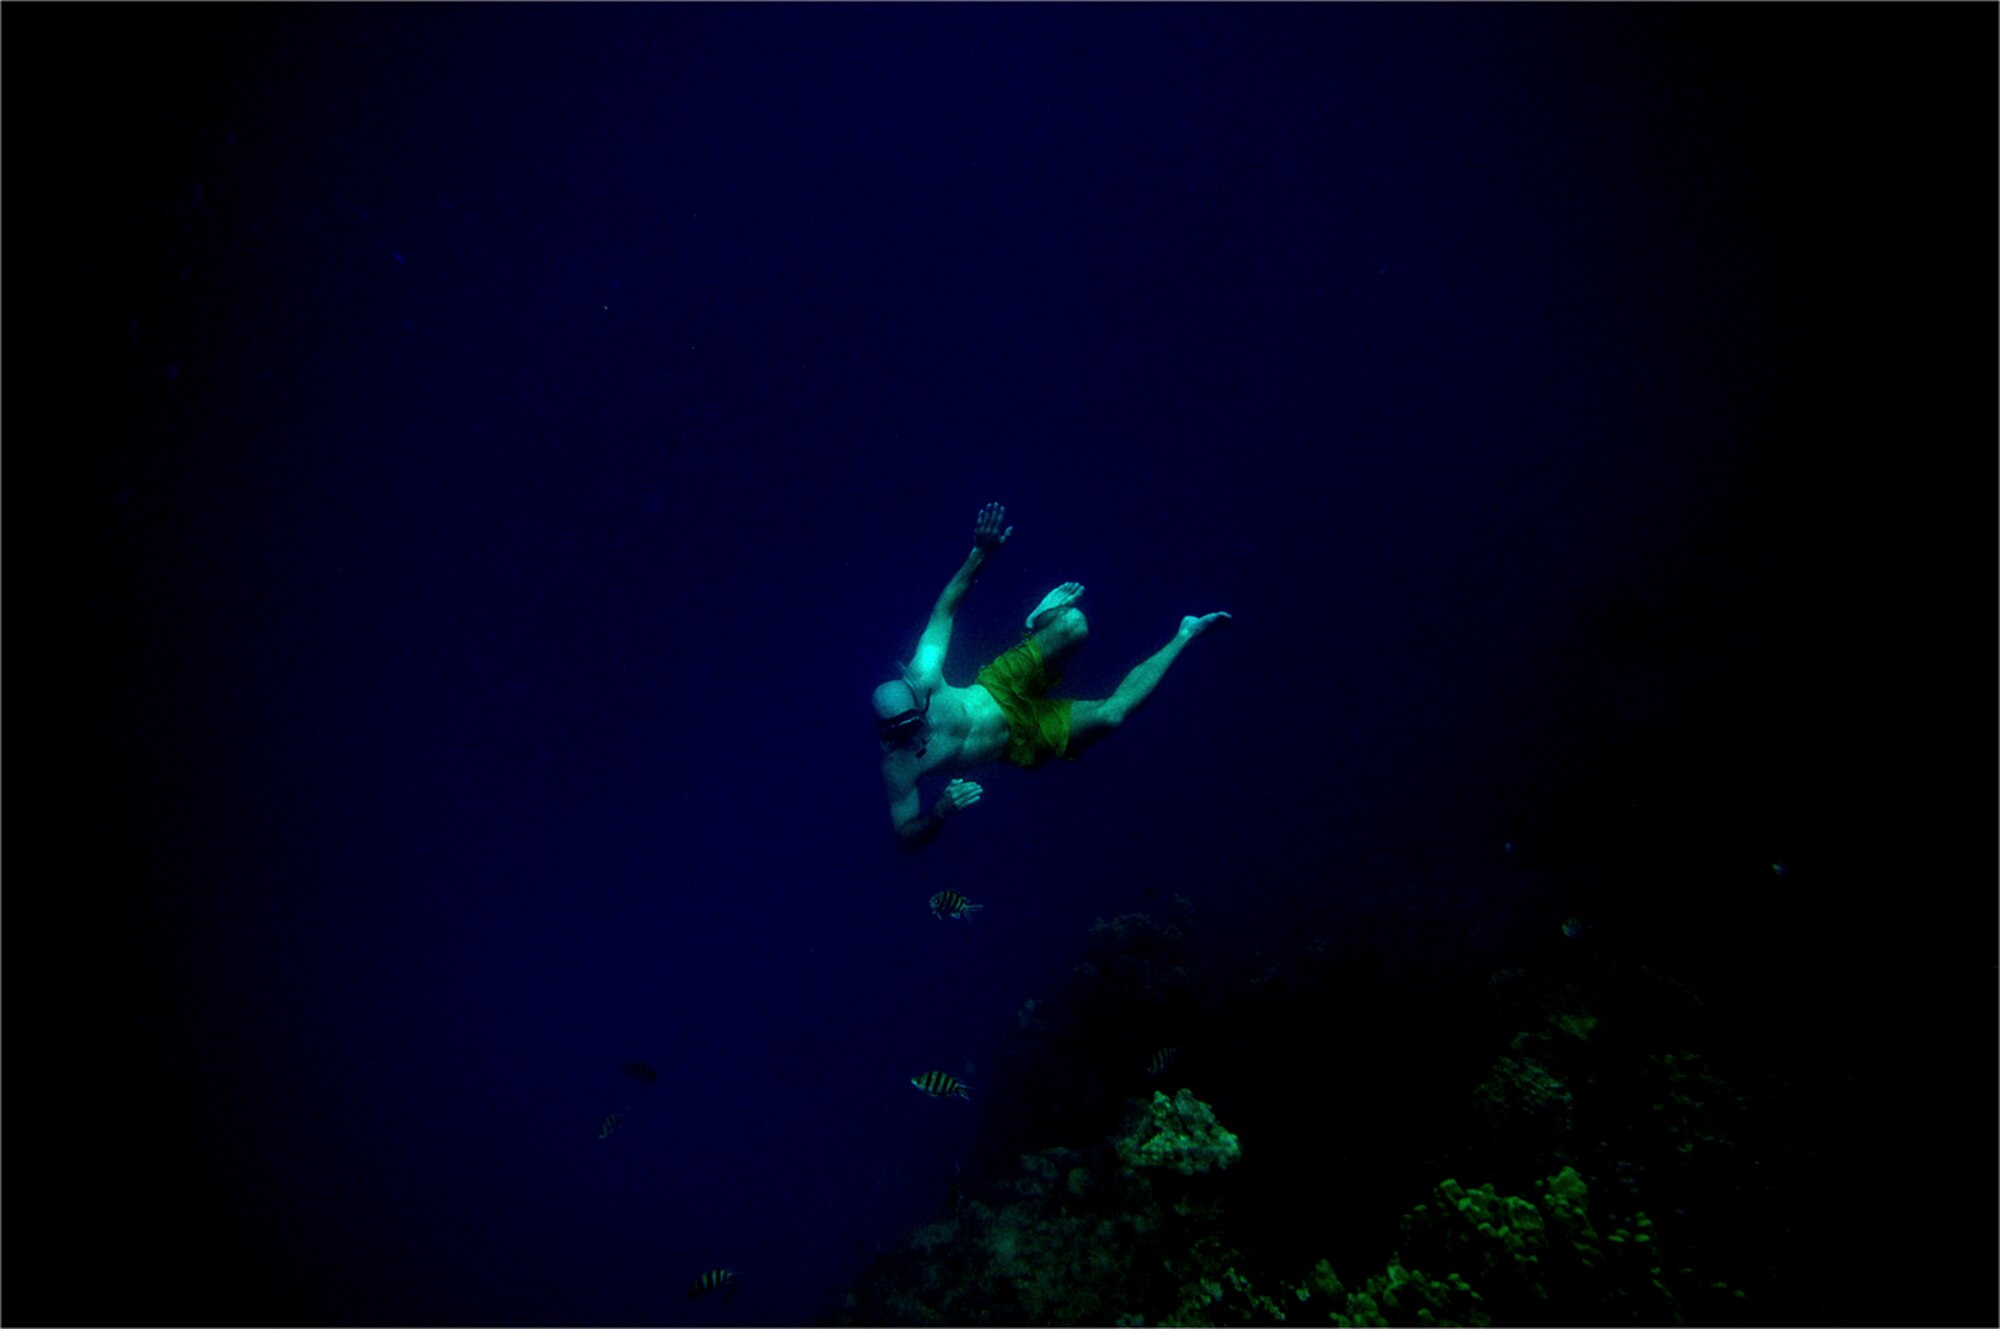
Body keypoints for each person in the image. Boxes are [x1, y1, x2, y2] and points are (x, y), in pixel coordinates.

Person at [874, 501, 1231, 846]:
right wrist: (939, 812)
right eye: (903, 735)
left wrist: (980, 552)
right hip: (1018, 739)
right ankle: (1186, 633)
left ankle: (1035, 622)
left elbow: (944, 611)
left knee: (1074, 624)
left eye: (915, 726)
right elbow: (905, 834)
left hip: (1000, 685)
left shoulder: (923, 674)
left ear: (919, 700)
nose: (916, 739)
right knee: (1112, 715)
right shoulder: (899, 766)